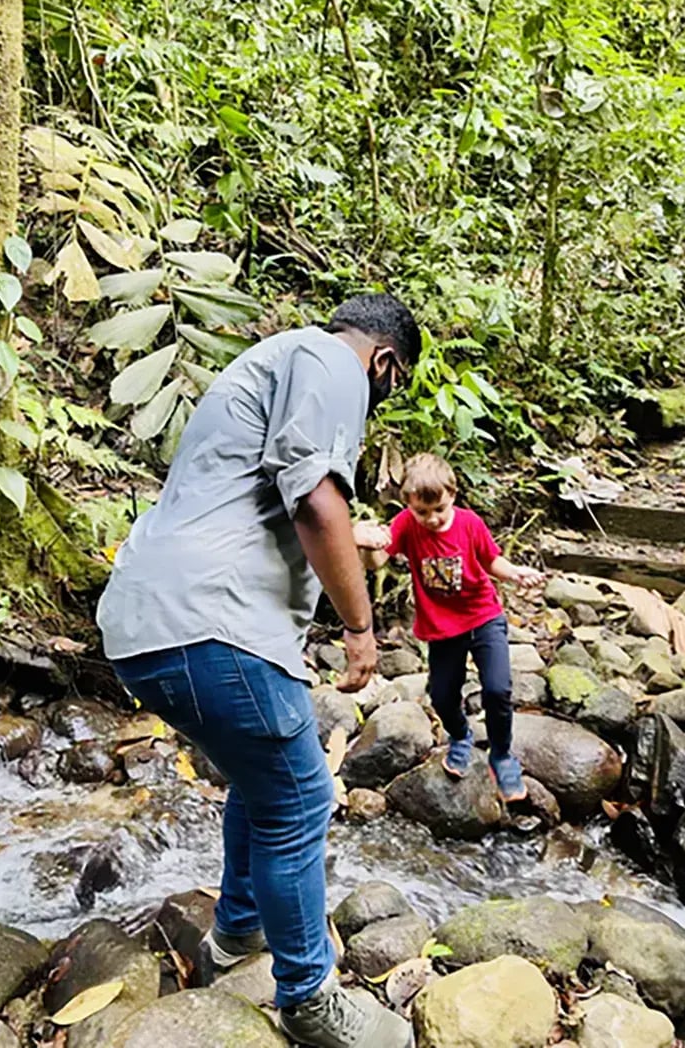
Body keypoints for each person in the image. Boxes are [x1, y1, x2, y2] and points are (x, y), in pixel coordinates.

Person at [96, 293, 420, 1048]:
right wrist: (360, 629)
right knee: (302, 797)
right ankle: (308, 999)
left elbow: (262, 497)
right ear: (384, 362)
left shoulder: (274, 363)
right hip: (210, 624)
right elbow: (313, 501)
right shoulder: (331, 362)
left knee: (264, 781)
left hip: (154, 621)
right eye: (390, 388)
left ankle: (234, 937)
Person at [353, 453, 544, 801]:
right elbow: (378, 558)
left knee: (498, 690)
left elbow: (490, 560)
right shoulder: (406, 525)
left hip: (483, 617)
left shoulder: (469, 523)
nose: (431, 519)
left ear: (452, 495)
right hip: (441, 628)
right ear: (409, 505)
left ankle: (502, 755)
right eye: (421, 512)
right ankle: (460, 735)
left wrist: (515, 573)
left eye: (438, 509)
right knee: (441, 694)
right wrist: (366, 545)